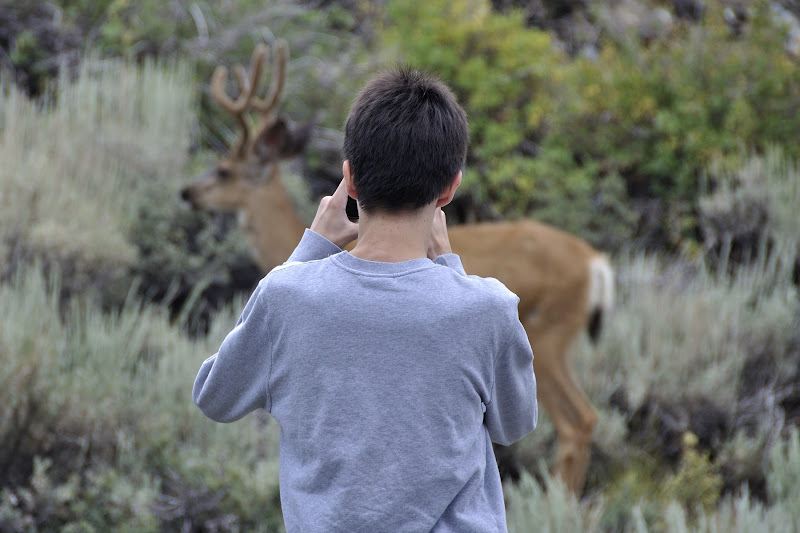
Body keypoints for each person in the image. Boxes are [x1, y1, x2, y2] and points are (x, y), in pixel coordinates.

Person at [193, 67, 537, 532]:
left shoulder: (286, 297)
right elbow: (514, 425)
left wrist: (310, 250)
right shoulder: (488, 309)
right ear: (450, 188)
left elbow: (216, 397)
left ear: (349, 181)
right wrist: (450, 268)